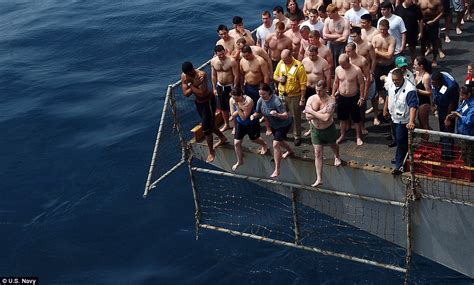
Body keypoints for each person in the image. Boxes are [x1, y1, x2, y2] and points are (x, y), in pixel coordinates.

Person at [181, 61, 227, 163]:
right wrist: (193, 85)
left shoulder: (201, 75)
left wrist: (191, 86)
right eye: (187, 74)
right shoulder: (184, 76)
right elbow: (185, 93)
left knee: (206, 128)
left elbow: (202, 93)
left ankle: (211, 152)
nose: (188, 76)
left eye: (190, 73)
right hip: (199, 103)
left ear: (193, 69)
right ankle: (223, 138)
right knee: (209, 124)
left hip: (208, 102)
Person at [251, 83, 294, 178]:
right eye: (260, 95)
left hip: (284, 124)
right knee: (280, 141)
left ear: (269, 92)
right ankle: (290, 151)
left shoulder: (276, 101)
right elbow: (258, 112)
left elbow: (285, 115)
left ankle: (277, 170)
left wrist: (277, 114)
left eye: (264, 94)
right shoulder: (260, 100)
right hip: (274, 125)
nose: (262, 97)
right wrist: (254, 116)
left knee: (275, 143)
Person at [304, 80, 342, 187]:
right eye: (316, 90)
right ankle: (319, 178)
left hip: (328, 128)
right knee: (318, 153)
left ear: (326, 89)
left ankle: (337, 156)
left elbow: (326, 118)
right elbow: (307, 116)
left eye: (320, 90)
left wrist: (312, 112)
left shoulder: (331, 101)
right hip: (315, 129)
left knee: (333, 144)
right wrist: (320, 112)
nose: (318, 92)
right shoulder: (311, 98)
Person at [383, 68, 418, 175]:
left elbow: (413, 106)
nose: (395, 82)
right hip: (394, 118)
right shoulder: (392, 84)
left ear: (402, 78)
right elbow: (389, 95)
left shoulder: (409, 89)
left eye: (397, 80)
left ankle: (399, 166)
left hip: (404, 121)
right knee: (398, 140)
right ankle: (404, 157)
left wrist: (411, 121)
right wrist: (385, 109)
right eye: (393, 80)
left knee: (400, 141)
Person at [228, 88, 268, 171]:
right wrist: (240, 108)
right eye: (233, 98)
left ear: (241, 95)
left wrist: (237, 106)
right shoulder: (232, 99)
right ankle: (239, 161)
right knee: (237, 143)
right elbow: (233, 114)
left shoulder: (248, 101)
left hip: (251, 123)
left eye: (236, 98)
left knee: (254, 139)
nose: (234, 100)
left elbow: (243, 117)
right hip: (240, 124)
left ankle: (264, 144)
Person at [274, 49, 308, 146]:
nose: (283, 61)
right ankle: (283, 133)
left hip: (294, 96)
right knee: (282, 115)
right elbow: (275, 75)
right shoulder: (281, 63)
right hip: (282, 94)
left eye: (285, 59)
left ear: (290, 56)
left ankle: (297, 136)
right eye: (282, 59)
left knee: (295, 117)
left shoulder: (299, 67)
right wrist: (278, 79)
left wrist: (302, 99)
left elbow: (303, 85)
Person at [332, 54, 366, 145]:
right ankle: (342, 135)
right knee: (342, 118)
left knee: (356, 118)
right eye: (340, 64)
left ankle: (358, 136)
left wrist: (362, 97)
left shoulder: (356, 70)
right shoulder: (338, 69)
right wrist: (332, 95)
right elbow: (336, 82)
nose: (342, 66)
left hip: (353, 96)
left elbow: (362, 84)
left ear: (348, 61)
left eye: (343, 64)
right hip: (342, 96)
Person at [210, 45, 240, 132]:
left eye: (223, 54)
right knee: (222, 107)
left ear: (225, 51)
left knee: (233, 107)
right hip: (220, 87)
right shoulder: (213, 62)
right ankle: (226, 124)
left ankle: (235, 126)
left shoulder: (231, 61)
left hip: (229, 86)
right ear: (216, 54)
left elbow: (236, 75)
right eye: (219, 55)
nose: (222, 56)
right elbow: (213, 75)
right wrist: (214, 88)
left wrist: (234, 88)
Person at [372, 19, 396, 125]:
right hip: (377, 66)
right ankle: (377, 112)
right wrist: (381, 53)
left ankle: (388, 110)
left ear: (388, 29)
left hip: (388, 66)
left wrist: (377, 51)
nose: (382, 31)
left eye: (384, 29)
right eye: (381, 29)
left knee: (390, 88)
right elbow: (372, 55)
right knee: (376, 89)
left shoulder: (391, 39)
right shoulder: (375, 38)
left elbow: (389, 55)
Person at [445, 85, 473, 166]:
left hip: (469, 135)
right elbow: (459, 109)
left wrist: (459, 115)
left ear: (469, 94)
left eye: (463, 95)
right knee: (464, 154)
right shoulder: (465, 101)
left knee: (470, 158)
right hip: (462, 133)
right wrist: (450, 116)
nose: (461, 96)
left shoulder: (472, 106)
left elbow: (469, 121)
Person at [323, 4, 351, 74]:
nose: (328, 16)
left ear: (335, 12)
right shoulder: (327, 20)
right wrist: (338, 36)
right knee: (330, 65)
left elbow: (344, 39)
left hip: (342, 46)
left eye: (330, 14)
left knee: (342, 64)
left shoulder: (345, 21)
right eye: (328, 14)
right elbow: (324, 36)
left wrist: (330, 38)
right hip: (331, 46)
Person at [413, 56, 432, 140]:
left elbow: (429, 92)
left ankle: (425, 142)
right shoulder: (417, 73)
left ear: (421, 66)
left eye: (415, 65)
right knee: (420, 122)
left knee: (424, 123)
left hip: (424, 103)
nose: (414, 66)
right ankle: (423, 141)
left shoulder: (426, 77)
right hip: (418, 101)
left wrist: (417, 90)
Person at [419, 0, 444, 67]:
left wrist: (433, 21)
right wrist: (419, 22)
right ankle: (422, 59)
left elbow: (441, 12)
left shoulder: (437, 1)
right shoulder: (420, 1)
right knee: (422, 42)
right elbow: (417, 11)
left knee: (434, 42)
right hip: (423, 23)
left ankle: (434, 59)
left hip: (433, 23)